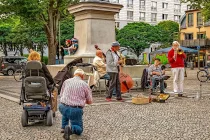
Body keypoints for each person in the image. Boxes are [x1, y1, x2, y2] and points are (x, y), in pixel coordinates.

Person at [59, 68, 92, 139]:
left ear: (74, 75)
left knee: (66, 111)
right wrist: (83, 100)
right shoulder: (84, 84)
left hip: (62, 107)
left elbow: (61, 95)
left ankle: (63, 127)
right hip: (75, 110)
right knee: (79, 129)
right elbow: (90, 101)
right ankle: (70, 129)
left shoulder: (66, 81)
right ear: (82, 76)